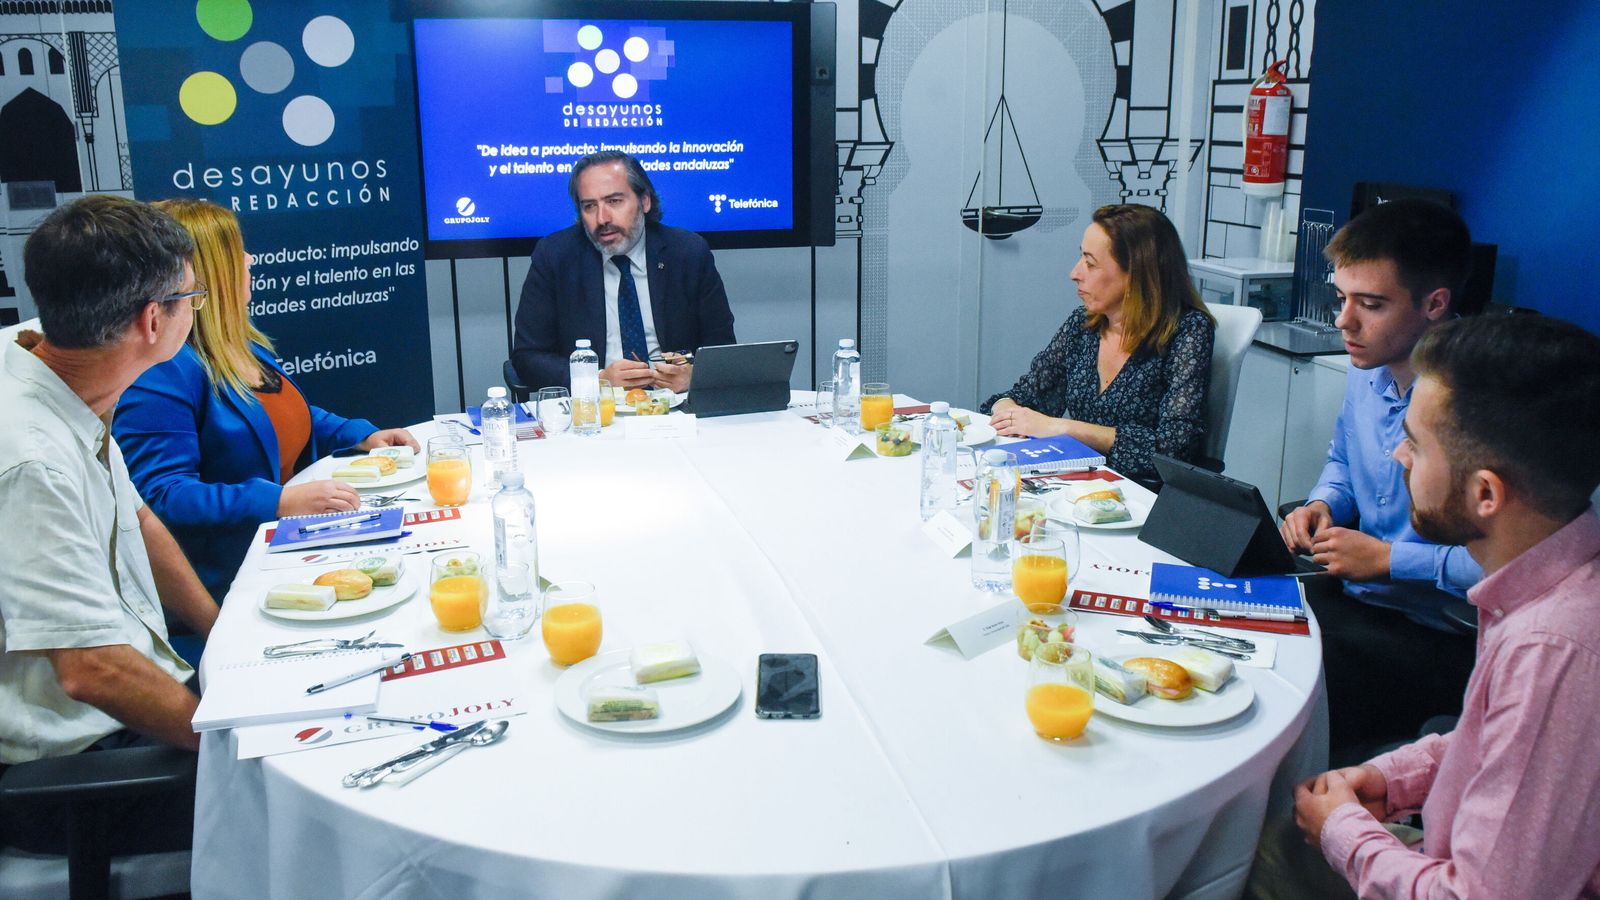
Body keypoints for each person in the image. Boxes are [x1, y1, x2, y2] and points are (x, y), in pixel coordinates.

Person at [1249, 314, 1600, 899]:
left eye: (1415, 443)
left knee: (1262, 857)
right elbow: (1492, 745)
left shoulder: (1555, 650)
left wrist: (1343, 832)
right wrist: (1396, 776)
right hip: (1447, 843)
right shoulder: (1540, 580)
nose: (1399, 457)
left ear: (1485, 493)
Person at [0, 195, 219, 853]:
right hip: (80, 769)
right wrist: (230, 739)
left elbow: (137, 515)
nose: (197, 310)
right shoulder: (33, 459)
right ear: (154, 320)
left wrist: (220, 629)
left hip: (135, 700)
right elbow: (90, 669)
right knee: (327, 796)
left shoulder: (50, 351)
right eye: (193, 297)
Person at [113, 199, 417, 603]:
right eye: (237, 251)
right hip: (236, 576)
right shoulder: (161, 372)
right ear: (211, 271)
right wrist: (279, 500)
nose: (250, 258)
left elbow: (286, 417)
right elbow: (162, 495)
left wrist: (361, 435)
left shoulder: (239, 344)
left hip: (292, 545)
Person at [1278, 199, 1483, 758]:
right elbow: (1343, 461)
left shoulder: (1481, 401)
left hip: (1436, 633)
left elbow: (1510, 562)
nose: (1344, 321)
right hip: (1355, 598)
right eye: (1341, 299)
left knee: (1277, 693)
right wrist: (1324, 505)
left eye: (1370, 304)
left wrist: (1390, 560)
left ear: (1434, 304)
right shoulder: (1367, 370)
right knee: (1234, 627)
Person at [980, 203, 1215, 482]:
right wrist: (1005, 409)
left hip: (1141, 496)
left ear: (1137, 274)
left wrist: (1063, 429)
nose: (1075, 273)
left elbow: (1175, 449)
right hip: (1076, 486)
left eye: (1090, 264)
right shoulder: (1084, 324)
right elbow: (1027, 397)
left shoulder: (1187, 331)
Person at [511, 150, 736, 393]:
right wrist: (595, 379)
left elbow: (722, 348)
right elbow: (527, 357)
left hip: (675, 406)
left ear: (645, 201)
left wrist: (693, 376)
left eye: (614, 201)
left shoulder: (688, 253)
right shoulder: (555, 256)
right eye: (589, 206)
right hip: (593, 410)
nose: (602, 218)